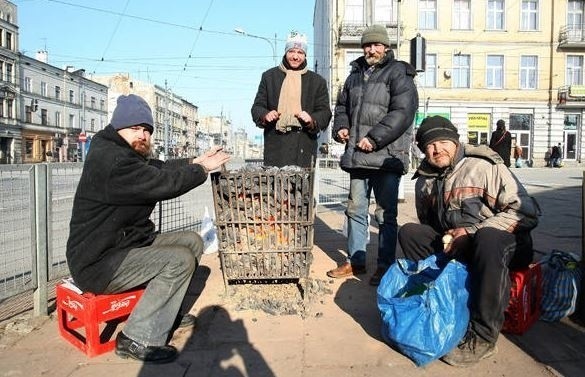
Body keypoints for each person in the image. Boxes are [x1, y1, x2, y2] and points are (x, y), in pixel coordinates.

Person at [66, 94, 231, 363]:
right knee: (179, 260)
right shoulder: (113, 161)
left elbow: (160, 167)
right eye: (136, 128)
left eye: (146, 130)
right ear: (118, 127)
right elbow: (163, 183)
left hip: (124, 246)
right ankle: (137, 338)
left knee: (192, 241)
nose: (142, 134)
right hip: (98, 263)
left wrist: (195, 161)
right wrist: (201, 169)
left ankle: (167, 310)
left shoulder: (123, 151)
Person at [398, 116, 540, 367]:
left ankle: (484, 335)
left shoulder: (483, 166)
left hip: (505, 244)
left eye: (443, 142)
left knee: (487, 238)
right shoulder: (424, 180)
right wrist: (451, 239)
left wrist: (471, 232)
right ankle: (441, 303)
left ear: (455, 142)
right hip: (463, 247)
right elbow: (430, 226)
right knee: (410, 233)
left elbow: (526, 212)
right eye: (429, 146)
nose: (437, 149)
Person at [326, 24, 419, 286]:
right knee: (355, 210)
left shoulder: (399, 72)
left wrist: (374, 138)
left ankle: (385, 266)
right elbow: (342, 106)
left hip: (386, 156)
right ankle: (356, 262)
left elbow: (402, 113)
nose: (371, 49)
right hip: (358, 156)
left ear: (386, 47)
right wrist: (341, 127)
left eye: (376, 44)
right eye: (367, 45)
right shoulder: (354, 75)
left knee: (385, 214)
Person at [251, 31, 332, 168]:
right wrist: (265, 115)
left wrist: (311, 119)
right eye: (291, 51)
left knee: (303, 188)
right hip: (276, 147)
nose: (295, 57)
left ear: (305, 54)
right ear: (285, 52)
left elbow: (325, 112)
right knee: (277, 188)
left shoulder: (317, 81)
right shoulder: (269, 77)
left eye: (300, 52)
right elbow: (257, 107)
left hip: (304, 147)